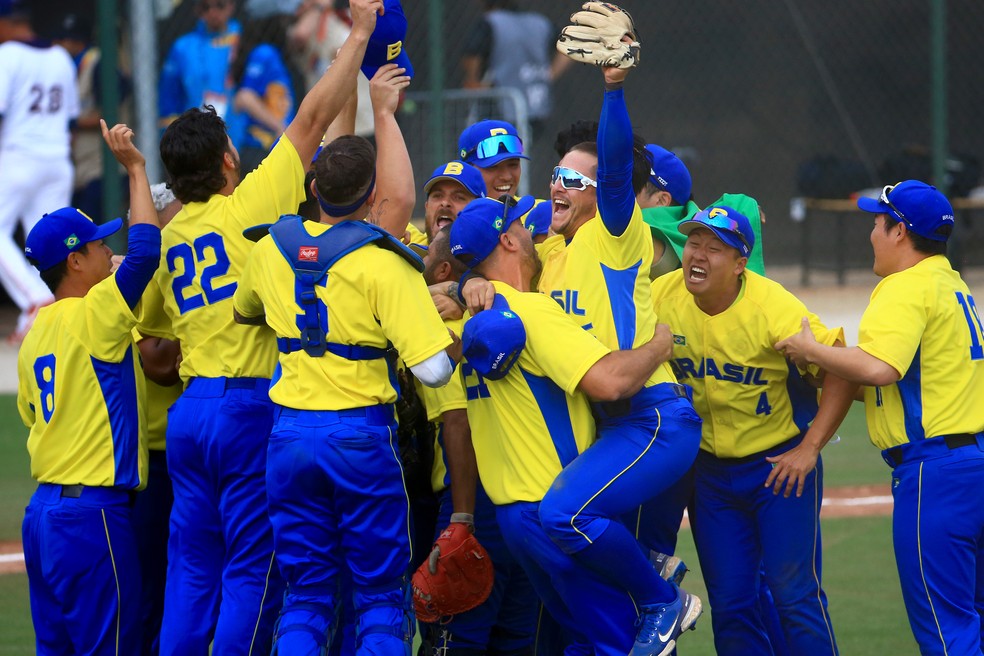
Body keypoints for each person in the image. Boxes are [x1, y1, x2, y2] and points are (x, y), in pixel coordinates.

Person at [140, 2, 391, 653]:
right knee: (253, 562)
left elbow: (155, 345)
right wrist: (359, 33)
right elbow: (310, 119)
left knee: (192, 565)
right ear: (228, 159)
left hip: (189, 416)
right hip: (248, 403)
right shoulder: (250, 201)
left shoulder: (173, 236)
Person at [232, 61, 456, 653]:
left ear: (313, 188)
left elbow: (245, 312)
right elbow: (433, 369)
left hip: (287, 438)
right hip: (359, 438)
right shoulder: (384, 260)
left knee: (305, 595)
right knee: (380, 598)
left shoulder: (271, 247)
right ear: (371, 197)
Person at [449, 194, 690, 655]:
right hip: (558, 513)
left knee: (582, 641)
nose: (534, 232)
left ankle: (644, 563)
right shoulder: (531, 311)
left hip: (512, 516)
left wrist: (460, 286)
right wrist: (660, 347)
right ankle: (656, 584)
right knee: (624, 642)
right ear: (508, 240)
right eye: (524, 225)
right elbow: (610, 382)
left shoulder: (467, 318)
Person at [776, 180, 984, 655]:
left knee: (946, 629)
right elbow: (904, 384)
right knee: (975, 618)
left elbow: (878, 367)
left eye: (877, 221)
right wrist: (828, 373)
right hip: (975, 465)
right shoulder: (951, 283)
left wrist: (812, 350)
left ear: (900, 232)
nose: (871, 231)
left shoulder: (903, 287)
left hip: (936, 477)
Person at [650, 205, 849, 655]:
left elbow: (840, 367)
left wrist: (811, 447)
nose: (697, 254)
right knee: (732, 603)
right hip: (711, 476)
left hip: (779, 467)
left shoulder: (771, 304)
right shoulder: (662, 296)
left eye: (714, 247)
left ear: (740, 264)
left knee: (794, 596)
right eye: (694, 242)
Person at [17, 121, 160, 656]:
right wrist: (137, 169)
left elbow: (34, 418)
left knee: (56, 647)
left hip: (43, 518)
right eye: (99, 244)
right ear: (75, 261)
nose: (108, 250)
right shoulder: (95, 311)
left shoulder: (37, 331)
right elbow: (145, 251)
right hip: (92, 517)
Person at [416, 225, 539, 655]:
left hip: (471, 499)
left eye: (427, 254)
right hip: (527, 494)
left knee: (458, 638)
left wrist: (462, 518)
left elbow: (458, 423)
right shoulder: (526, 312)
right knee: (517, 637)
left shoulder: (448, 325)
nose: (420, 262)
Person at [0, 0, 79, 343]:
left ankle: (36, 301)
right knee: (47, 240)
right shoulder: (61, 56)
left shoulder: (8, 54)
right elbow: (72, 119)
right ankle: (52, 316)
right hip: (57, 159)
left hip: (19, 155)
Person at [461, 0, 571, 137]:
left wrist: (473, 79)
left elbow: (472, 53)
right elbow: (568, 47)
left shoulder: (491, 22)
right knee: (522, 148)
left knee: (494, 149)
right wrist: (549, 75)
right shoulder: (539, 22)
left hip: (499, 104)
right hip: (534, 104)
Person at [229, 14, 296, 173]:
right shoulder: (264, 52)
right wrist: (282, 128)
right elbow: (244, 97)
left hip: (266, 147)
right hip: (262, 146)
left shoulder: (267, 52)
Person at [158, 0, 240, 128]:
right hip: (196, 133)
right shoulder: (183, 47)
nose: (213, 12)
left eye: (220, 5)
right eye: (205, 7)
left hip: (238, 129)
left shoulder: (244, 41)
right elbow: (169, 97)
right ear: (198, 10)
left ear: (231, 6)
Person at [457, 119, 529, 199]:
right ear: (467, 171)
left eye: (513, 165)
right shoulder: (452, 210)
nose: (506, 177)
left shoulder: (536, 210)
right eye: (492, 167)